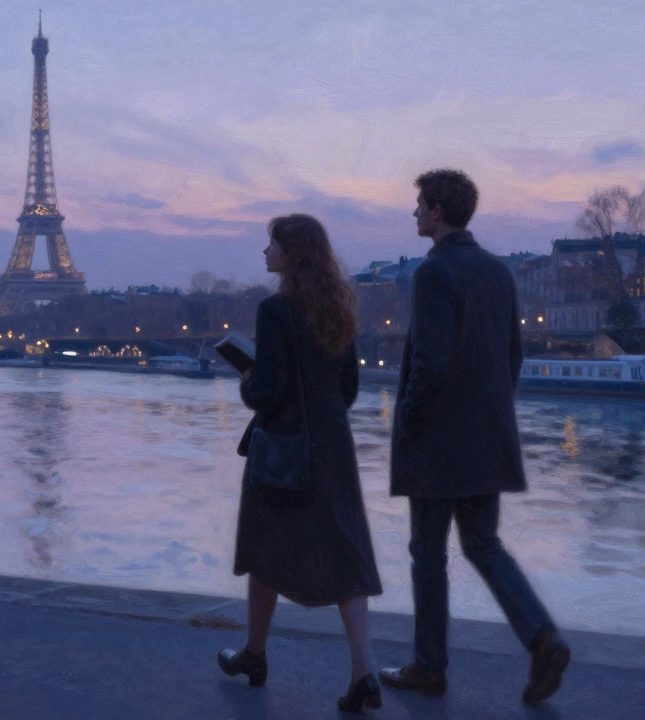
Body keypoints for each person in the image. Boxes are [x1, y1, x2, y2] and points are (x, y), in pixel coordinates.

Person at [380, 169, 570, 704]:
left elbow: (430, 363)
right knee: (483, 544)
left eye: (419, 204)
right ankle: (540, 636)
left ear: (438, 211)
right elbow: (513, 355)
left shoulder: (433, 273)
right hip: (487, 437)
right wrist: (490, 413)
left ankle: (429, 665)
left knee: (427, 551)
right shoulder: (498, 272)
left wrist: (409, 424)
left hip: (439, 441)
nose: (414, 212)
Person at [218, 214, 384, 713]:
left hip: (284, 452)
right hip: (333, 451)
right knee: (345, 557)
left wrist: (247, 378)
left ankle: (255, 654)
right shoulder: (338, 310)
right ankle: (364, 673)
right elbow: (348, 390)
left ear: (290, 254)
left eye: (271, 244)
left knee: (264, 549)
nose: (264, 252)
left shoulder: (275, 310)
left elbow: (267, 392)